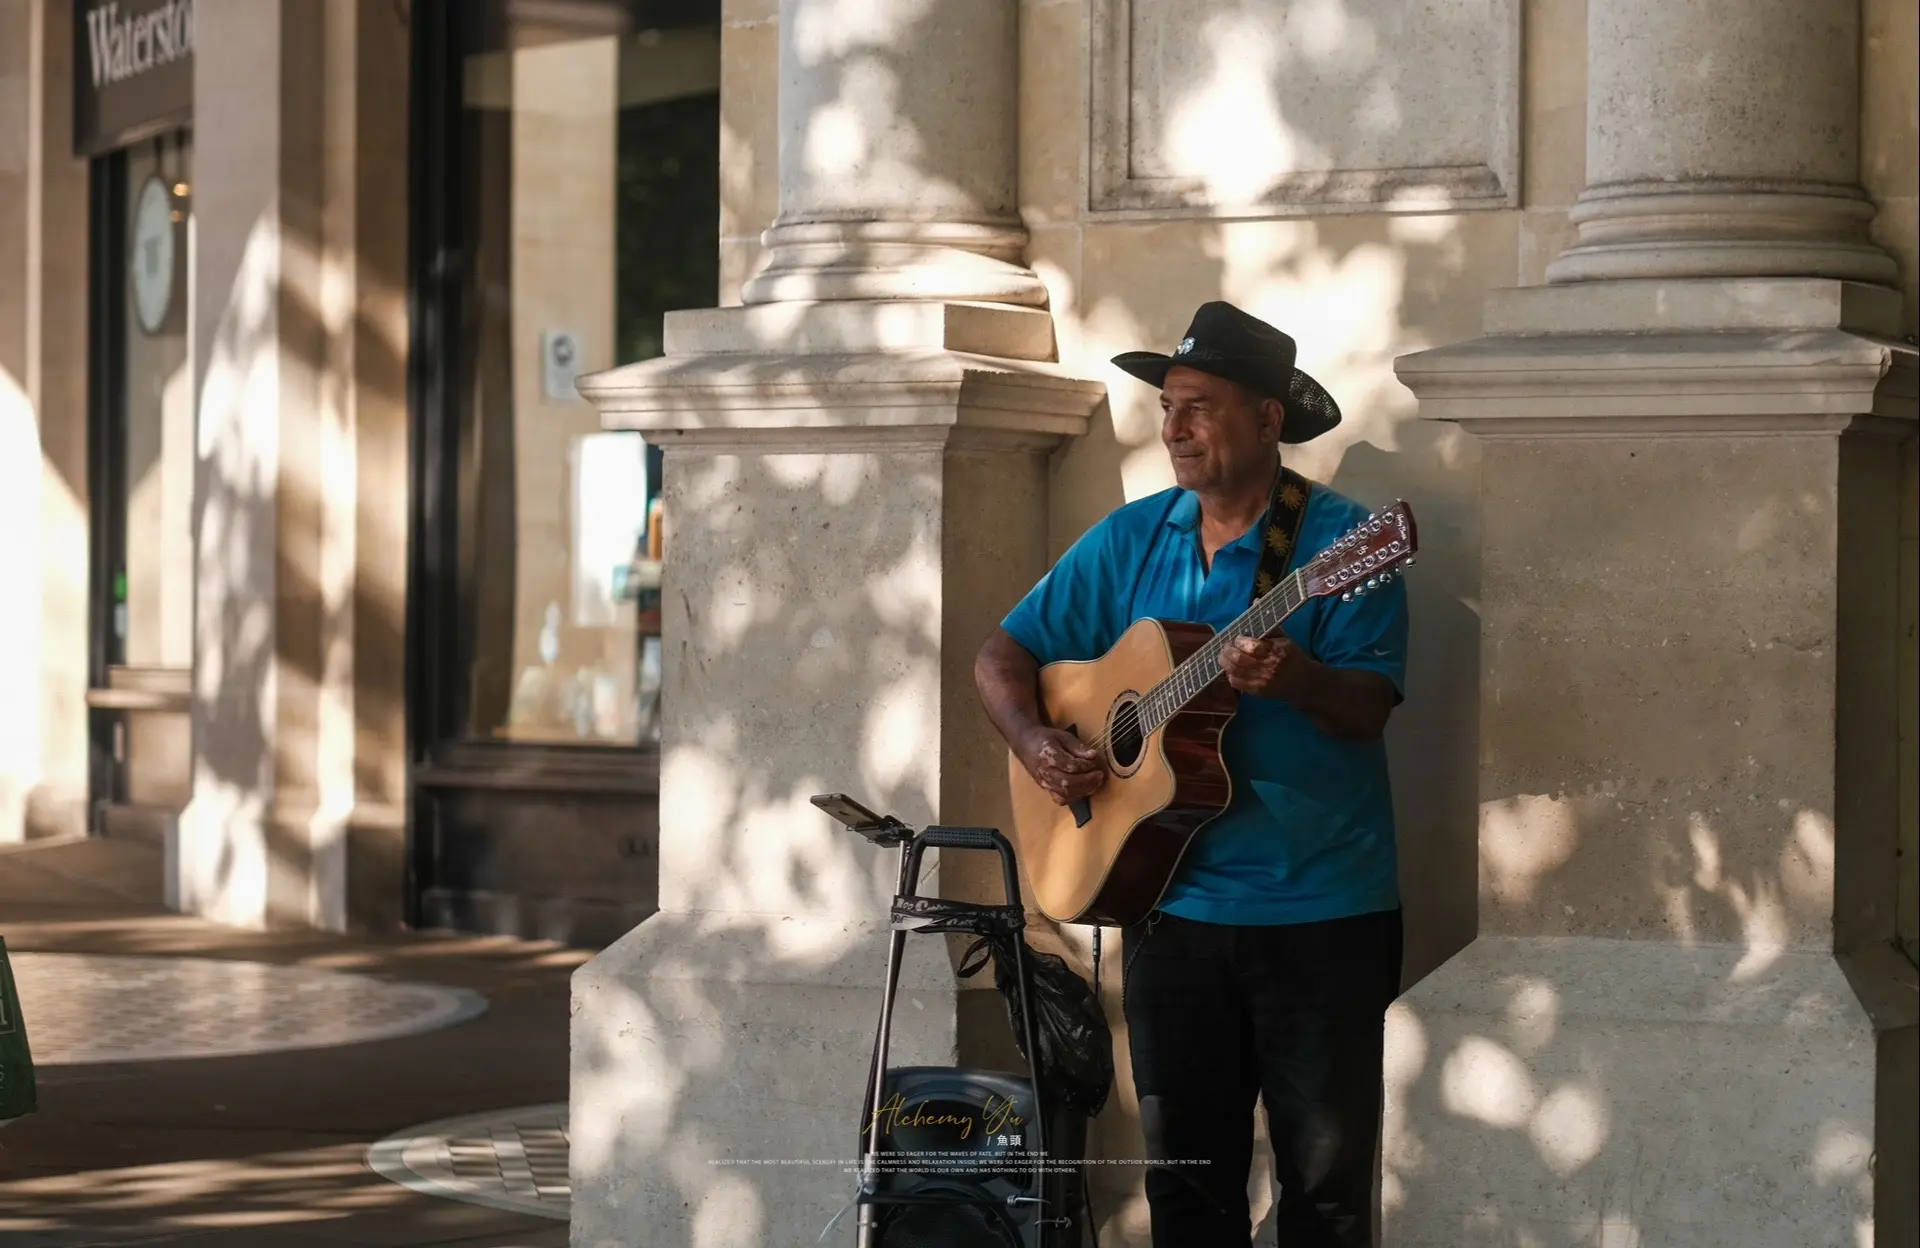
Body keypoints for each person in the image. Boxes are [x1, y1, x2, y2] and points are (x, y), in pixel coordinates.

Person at [972, 302, 1409, 1247]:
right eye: (1168, 405)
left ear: (1268, 419)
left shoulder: (1345, 547)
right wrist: (1036, 744)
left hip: (1320, 916)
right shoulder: (1135, 538)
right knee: (1187, 1197)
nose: (1173, 428)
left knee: (1326, 1198)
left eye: (1200, 406)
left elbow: (1368, 707)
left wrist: (1300, 681)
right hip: (1170, 913)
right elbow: (1001, 656)